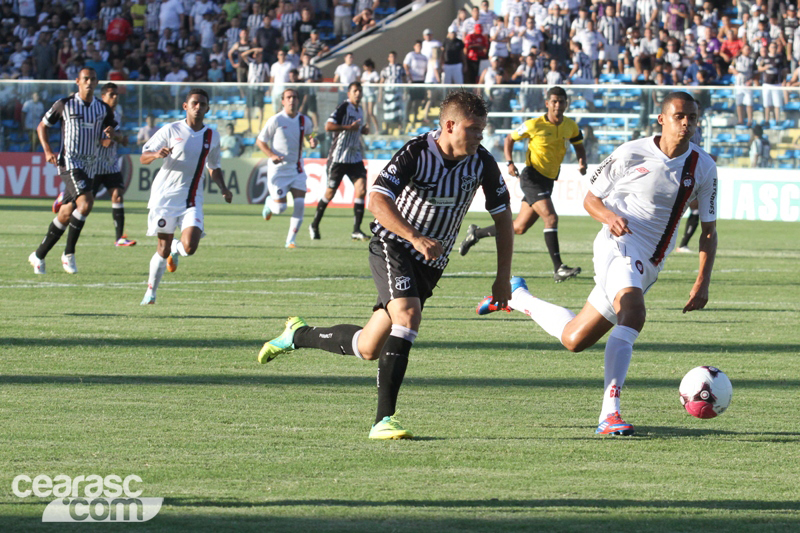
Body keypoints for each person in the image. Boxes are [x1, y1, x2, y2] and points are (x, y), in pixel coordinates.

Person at [257, 90, 514, 440]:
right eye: (473, 129)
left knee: (368, 347)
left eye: (482, 130)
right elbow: (378, 200)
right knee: (408, 316)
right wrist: (414, 237)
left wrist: (502, 279)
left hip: (430, 262)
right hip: (393, 244)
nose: (479, 136)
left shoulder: (481, 162)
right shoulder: (417, 152)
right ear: (450, 125)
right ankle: (383, 420)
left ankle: (297, 335)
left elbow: (502, 220)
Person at [477, 91, 718, 437]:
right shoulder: (631, 152)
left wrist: (702, 281)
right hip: (617, 244)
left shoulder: (704, 167)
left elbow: (708, 231)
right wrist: (610, 217)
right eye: (679, 116)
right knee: (633, 313)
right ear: (662, 119)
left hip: (649, 263)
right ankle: (610, 412)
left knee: (575, 338)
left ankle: (517, 297)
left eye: (692, 118)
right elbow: (592, 199)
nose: (687, 124)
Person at [459, 86, 586, 284]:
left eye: (561, 101)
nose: (558, 105)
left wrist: (582, 160)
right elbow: (510, 138)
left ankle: (476, 233)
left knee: (518, 227)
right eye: (554, 101)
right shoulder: (534, 124)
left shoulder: (571, 126)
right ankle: (559, 268)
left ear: (566, 104)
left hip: (548, 180)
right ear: (547, 103)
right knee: (551, 218)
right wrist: (510, 162)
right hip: (532, 178)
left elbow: (578, 143)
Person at [139, 88, 233, 304]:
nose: (198, 107)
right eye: (194, 103)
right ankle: (151, 292)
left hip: (192, 199)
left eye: (202, 104)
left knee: (190, 246)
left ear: (208, 108)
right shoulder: (171, 130)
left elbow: (214, 166)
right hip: (165, 198)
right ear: (185, 106)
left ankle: (177, 250)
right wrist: (156, 154)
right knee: (162, 249)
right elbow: (143, 157)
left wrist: (223, 188)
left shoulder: (212, 135)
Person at [28, 67, 118, 275]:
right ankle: (68, 254)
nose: (89, 82)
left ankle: (39, 255)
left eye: (93, 79)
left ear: (96, 83)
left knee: (67, 212)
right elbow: (42, 126)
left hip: (91, 166)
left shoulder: (103, 109)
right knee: (85, 204)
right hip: (69, 162)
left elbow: (106, 141)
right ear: (77, 81)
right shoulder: (65, 104)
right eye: (86, 79)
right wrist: (48, 150)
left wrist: (109, 135)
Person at [256, 88, 319, 248]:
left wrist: (312, 141)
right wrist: (271, 155)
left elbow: (309, 135)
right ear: (282, 101)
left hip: (297, 168)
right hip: (278, 170)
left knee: (299, 204)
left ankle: (290, 240)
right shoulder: (276, 120)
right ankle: (270, 203)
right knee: (280, 208)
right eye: (288, 97)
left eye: (294, 97)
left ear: (298, 101)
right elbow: (260, 141)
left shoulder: (305, 120)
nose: (292, 100)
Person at [309, 82, 370, 241]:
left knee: (361, 189)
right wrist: (348, 127)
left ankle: (356, 230)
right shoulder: (344, 107)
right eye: (355, 91)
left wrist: (362, 130)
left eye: (360, 91)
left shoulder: (360, 110)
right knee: (330, 193)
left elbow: (355, 128)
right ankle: (314, 224)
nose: (358, 93)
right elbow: (328, 126)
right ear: (349, 93)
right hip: (339, 157)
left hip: (354, 157)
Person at [92, 82, 136, 246]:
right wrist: (113, 139)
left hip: (110, 164)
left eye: (117, 94)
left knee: (117, 195)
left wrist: (119, 138)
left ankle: (119, 238)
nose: (115, 97)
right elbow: (90, 134)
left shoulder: (117, 113)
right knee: (84, 203)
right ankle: (66, 196)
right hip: (94, 164)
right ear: (103, 97)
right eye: (112, 94)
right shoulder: (96, 112)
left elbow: (115, 134)